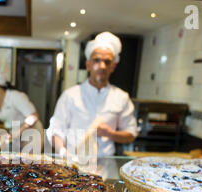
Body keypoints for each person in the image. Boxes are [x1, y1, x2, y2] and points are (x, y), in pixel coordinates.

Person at [46, 31, 137, 159]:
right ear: (88, 64)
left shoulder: (121, 97)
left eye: (107, 62)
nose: (102, 66)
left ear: (113, 67)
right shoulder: (70, 95)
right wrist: (62, 152)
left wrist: (110, 134)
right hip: (73, 159)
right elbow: (56, 130)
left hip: (105, 162)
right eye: (96, 60)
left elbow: (131, 134)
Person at [0, 66, 44, 153]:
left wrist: (16, 134)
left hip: (31, 134)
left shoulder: (15, 96)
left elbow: (33, 116)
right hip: (14, 135)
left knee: (29, 162)